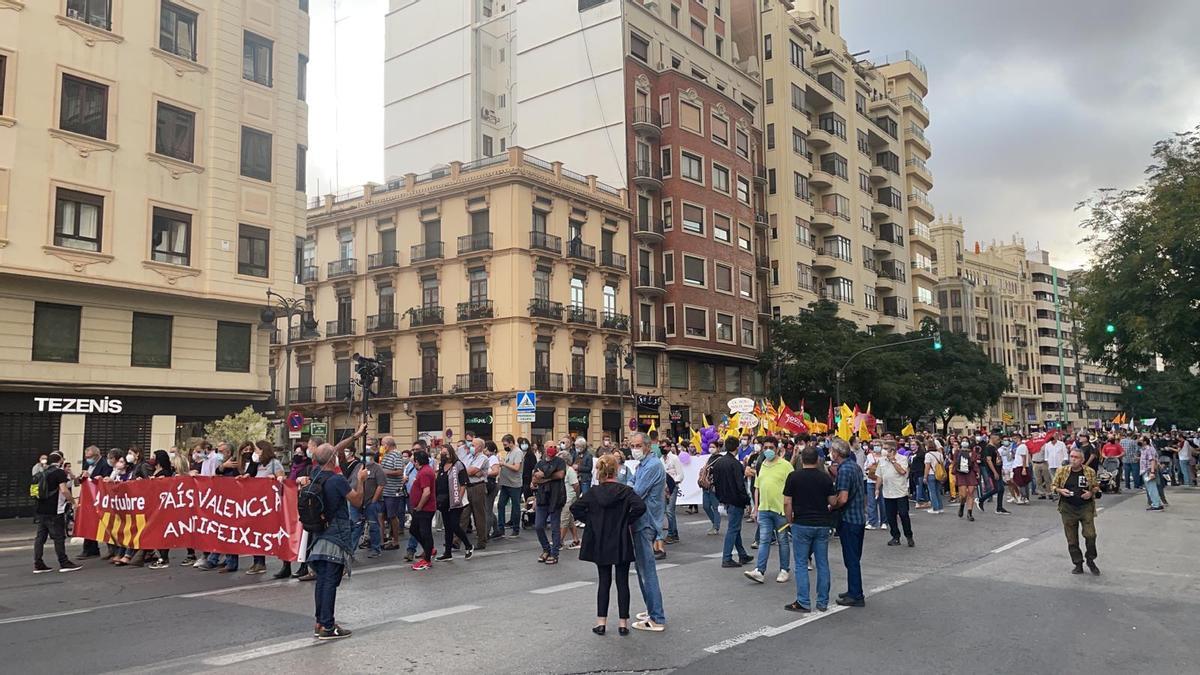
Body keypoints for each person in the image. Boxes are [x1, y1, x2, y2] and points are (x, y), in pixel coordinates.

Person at [571, 453, 646, 636]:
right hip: (620, 538)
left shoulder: (594, 492)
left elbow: (576, 508)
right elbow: (640, 507)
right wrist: (626, 520)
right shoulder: (625, 491)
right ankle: (623, 624)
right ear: (617, 470)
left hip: (601, 540)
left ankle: (601, 622)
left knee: (603, 581)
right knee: (623, 582)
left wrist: (592, 521)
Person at [296, 443, 365, 639]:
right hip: (336, 535)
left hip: (318, 534)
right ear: (333, 459)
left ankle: (320, 622)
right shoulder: (337, 480)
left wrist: (356, 435)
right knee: (329, 582)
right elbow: (358, 501)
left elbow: (329, 452)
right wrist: (360, 480)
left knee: (322, 581)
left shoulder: (315, 475)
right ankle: (327, 626)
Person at [781, 446, 837, 613]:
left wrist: (789, 519)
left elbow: (787, 502)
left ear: (801, 459)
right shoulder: (825, 478)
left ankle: (804, 601)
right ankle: (822, 601)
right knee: (822, 563)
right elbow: (833, 502)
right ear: (817, 460)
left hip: (802, 523)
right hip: (821, 524)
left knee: (800, 563)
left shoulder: (794, 477)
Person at [628, 432, 666, 632]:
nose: (634, 449)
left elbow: (635, 491)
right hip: (642, 521)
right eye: (632, 445)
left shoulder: (652, 466)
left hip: (646, 522)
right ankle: (651, 610)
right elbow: (631, 484)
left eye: (637, 445)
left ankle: (657, 617)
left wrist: (629, 487)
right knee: (642, 568)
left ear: (647, 446)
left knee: (646, 570)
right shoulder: (644, 465)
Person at [745, 437, 793, 584]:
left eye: (771, 447)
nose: (768, 450)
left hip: (781, 510)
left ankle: (784, 570)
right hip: (764, 509)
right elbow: (757, 488)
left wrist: (792, 510)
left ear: (777, 448)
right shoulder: (762, 464)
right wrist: (756, 508)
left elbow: (793, 488)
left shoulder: (786, 466)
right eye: (765, 447)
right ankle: (760, 571)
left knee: (783, 541)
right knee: (764, 540)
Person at [828, 439, 866, 607]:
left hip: (849, 518)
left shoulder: (844, 470)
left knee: (851, 558)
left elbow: (842, 498)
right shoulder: (855, 466)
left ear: (836, 453)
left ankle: (856, 594)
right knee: (853, 557)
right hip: (858, 517)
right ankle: (853, 589)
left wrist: (831, 505)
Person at [1051, 449, 1100, 575]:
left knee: (1090, 535)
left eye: (1076, 457)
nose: (1073, 459)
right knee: (1072, 539)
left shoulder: (1089, 471)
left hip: (1085, 507)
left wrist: (1091, 493)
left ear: (1082, 460)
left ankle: (1090, 558)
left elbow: (1095, 486)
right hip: (1068, 508)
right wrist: (1060, 491)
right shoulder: (1062, 471)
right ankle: (1078, 563)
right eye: (1071, 456)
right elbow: (1053, 485)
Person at [33, 452, 81, 574]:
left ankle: (38, 563)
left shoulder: (41, 473)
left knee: (40, 538)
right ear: (60, 461)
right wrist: (73, 503)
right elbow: (64, 490)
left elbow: (34, 492)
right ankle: (64, 562)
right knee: (59, 537)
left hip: (41, 509)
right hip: (55, 510)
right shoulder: (59, 473)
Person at [712, 436, 753, 568]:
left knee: (735, 528)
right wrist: (746, 500)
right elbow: (740, 485)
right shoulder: (735, 464)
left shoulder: (719, 462)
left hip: (725, 499)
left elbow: (715, 482)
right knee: (733, 529)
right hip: (736, 500)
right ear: (737, 447)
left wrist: (720, 498)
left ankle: (742, 554)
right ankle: (727, 557)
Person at [435, 445, 473, 561]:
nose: (444, 455)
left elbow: (463, 484)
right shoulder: (442, 466)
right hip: (443, 500)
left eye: (446, 453)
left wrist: (459, 499)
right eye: (442, 453)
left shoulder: (458, 465)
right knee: (447, 527)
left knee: (454, 525)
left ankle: (468, 545)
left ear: (451, 453)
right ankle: (447, 553)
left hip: (455, 500)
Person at [532, 440, 567, 564]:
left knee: (555, 527)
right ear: (545, 448)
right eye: (549, 447)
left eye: (554, 447)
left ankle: (554, 553)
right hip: (542, 498)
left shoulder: (560, 461)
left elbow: (560, 475)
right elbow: (535, 480)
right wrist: (543, 477)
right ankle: (546, 549)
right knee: (538, 526)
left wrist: (544, 476)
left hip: (556, 498)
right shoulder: (540, 463)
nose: (552, 448)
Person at [875, 444, 914, 548]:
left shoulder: (902, 459)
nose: (884, 451)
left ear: (892, 450)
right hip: (888, 493)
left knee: (903, 514)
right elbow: (879, 476)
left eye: (886, 449)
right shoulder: (882, 461)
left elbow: (902, 471)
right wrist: (877, 489)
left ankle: (909, 536)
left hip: (900, 492)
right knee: (891, 517)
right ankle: (895, 536)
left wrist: (893, 461)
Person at [77, 445, 109, 559]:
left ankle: (104, 549)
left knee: (100, 522)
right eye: (86, 457)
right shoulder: (87, 464)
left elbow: (104, 480)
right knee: (88, 521)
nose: (87, 459)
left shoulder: (104, 465)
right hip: (88, 498)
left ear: (96, 455)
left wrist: (91, 477)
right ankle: (90, 549)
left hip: (98, 498)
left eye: (89, 457)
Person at [408, 450, 438, 570]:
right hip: (421, 508)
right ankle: (429, 549)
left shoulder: (425, 472)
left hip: (425, 508)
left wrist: (420, 506)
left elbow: (426, 492)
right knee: (414, 529)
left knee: (425, 532)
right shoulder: (423, 470)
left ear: (417, 461)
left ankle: (427, 560)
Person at [379, 437, 407, 551]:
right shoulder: (385, 455)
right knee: (381, 515)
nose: (381, 446)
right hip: (384, 490)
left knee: (392, 515)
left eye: (382, 444)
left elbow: (399, 471)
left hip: (393, 490)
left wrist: (385, 472)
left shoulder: (396, 454)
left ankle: (395, 540)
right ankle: (382, 539)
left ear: (387, 444)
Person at [462, 437, 490, 550]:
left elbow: (470, 471)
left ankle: (482, 541)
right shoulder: (468, 456)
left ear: (480, 447)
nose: (471, 446)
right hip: (467, 486)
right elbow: (462, 469)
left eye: (473, 445)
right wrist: (471, 471)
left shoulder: (483, 457)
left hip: (478, 487)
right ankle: (456, 540)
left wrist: (472, 471)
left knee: (479, 515)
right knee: (463, 514)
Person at [496, 435, 525, 538]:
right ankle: (501, 529)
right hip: (505, 483)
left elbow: (516, 467)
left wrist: (503, 464)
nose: (504, 446)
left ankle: (516, 529)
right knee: (500, 505)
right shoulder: (509, 452)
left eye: (505, 444)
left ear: (511, 442)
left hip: (514, 484)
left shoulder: (517, 452)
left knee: (516, 506)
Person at [978, 434, 1010, 514]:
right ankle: (981, 499)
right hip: (993, 471)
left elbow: (998, 459)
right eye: (998, 439)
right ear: (993, 439)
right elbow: (989, 460)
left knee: (1001, 489)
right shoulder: (989, 448)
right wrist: (994, 472)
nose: (999, 441)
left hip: (998, 470)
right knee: (997, 488)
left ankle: (999, 507)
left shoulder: (994, 448)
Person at [953, 441, 980, 521]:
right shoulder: (957, 452)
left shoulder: (973, 453)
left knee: (971, 493)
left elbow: (974, 463)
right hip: (961, 474)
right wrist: (954, 474)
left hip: (970, 473)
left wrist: (977, 472)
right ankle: (962, 505)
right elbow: (955, 463)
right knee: (963, 495)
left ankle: (969, 513)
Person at [662, 444, 684, 545]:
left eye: (665, 446)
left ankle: (672, 534)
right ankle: (674, 533)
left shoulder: (674, 458)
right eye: (661, 447)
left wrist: (673, 482)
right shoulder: (661, 459)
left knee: (670, 510)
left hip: (672, 486)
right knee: (667, 511)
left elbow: (680, 474)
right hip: (664, 488)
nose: (663, 449)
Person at [561, 457, 581, 550]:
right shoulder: (561, 470)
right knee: (569, 520)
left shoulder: (570, 470)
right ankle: (576, 540)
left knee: (564, 519)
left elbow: (576, 485)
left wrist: (576, 497)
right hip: (563, 497)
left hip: (569, 497)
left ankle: (559, 541)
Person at [862, 444, 884, 530]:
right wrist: (869, 466)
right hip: (871, 480)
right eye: (875, 445)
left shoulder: (884, 457)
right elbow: (865, 467)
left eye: (878, 445)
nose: (877, 447)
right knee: (871, 502)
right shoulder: (869, 456)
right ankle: (872, 522)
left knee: (882, 502)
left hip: (882, 481)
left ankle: (884, 521)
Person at [1141, 438, 1164, 511]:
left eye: (1140, 440)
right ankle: (1158, 503)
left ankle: (1156, 504)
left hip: (1148, 470)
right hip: (1146, 470)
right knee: (1152, 488)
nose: (1138, 441)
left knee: (1151, 488)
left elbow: (1152, 460)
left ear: (1145, 442)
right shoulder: (1144, 449)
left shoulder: (1148, 449)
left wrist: (1152, 471)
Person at [923, 441, 944, 514]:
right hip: (939, 474)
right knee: (937, 491)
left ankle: (935, 508)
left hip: (931, 474)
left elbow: (927, 467)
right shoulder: (940, 454)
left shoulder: (928, 455)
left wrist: (925, 476)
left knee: (932, 492)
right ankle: (940, 507)